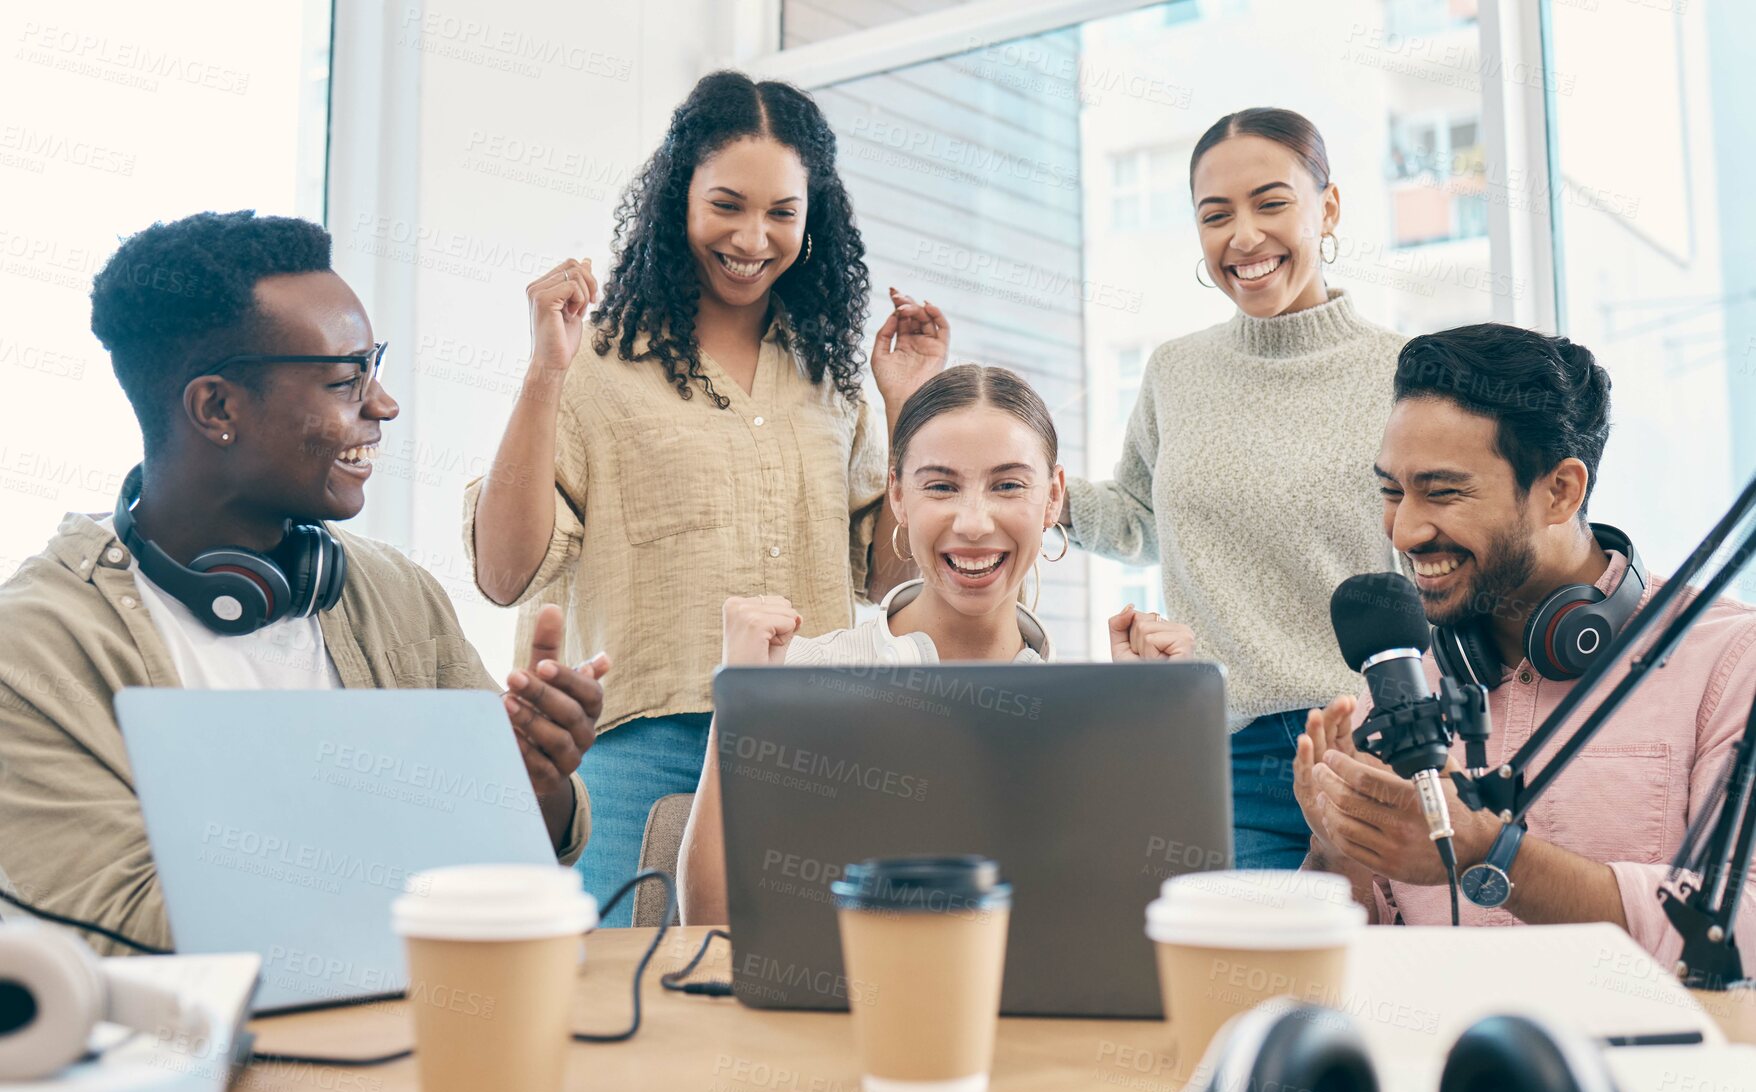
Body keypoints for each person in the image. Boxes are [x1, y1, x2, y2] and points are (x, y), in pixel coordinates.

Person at [0, 211, 605, 952]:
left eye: (374, 368)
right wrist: (438, 839)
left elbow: (526, 868)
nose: (383, 405)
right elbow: (135, 927)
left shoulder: (396, 596)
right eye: (347, 379)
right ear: (216, 407)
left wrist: (528, 786)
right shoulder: (31, 652)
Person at [464, 71, 948, 921]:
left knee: (800, 1011)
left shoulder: (831, 378)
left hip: (813, 746)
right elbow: (504, 574)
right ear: (677, 194)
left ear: (813, 217)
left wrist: (908, 404)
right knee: (627, 1014)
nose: (752, 238)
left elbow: (887, 581)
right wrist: (545, 372)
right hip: (635, 753)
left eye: (781, 213)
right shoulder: (594, 361)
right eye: (727, 204)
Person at [1293, 324, 1756, 966]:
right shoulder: (1403, 684)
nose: (1404, 530)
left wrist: (1495, 854)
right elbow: (1340, 976)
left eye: (1443, 491)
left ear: (1561, 490)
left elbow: (1744, 928)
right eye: (1391, 492)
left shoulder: (1730, 663)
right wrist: (1339, 844)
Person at [677, 365, 1197, 923]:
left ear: (1053, 498)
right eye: (941, 486)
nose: (973, 523)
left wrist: (1156, 733)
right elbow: (709, 922)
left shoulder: (1095, 717)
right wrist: (740, 697)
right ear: (898, 496)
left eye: (1008, 485)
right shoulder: (796, 673)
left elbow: (1137, 929)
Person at [1061, 107, 1406, 871]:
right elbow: (1143, 518)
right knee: (1238, 975)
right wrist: (1045, 494)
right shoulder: (1175, 371)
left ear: (1329, 207)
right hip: (1220, 754)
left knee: (1367, 976)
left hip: (1369, 750)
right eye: (1215, 216)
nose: (1242, 236)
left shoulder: (1404, 372)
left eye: (1271, 202)